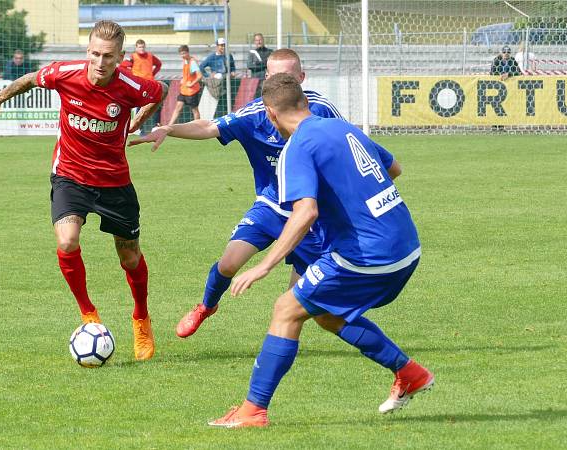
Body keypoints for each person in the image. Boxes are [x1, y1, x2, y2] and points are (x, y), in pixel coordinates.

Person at [207, 73, 434, 428]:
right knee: (325, 314)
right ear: (306, 104)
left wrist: (263, 266)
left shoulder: (297, 147)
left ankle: (253, 411)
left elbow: (305, 212)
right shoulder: (344, 128)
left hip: (367, 255)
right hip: (406, 245)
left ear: (270, 114)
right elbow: (393, 168)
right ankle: (410, 373)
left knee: (285, 309)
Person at [0, 20, 168, 361]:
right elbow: (28, 80)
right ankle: (88, 313)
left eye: (108, 56)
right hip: (70, 174)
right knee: (67, 241)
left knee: (129, 258)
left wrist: (139, 120)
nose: (100, 62)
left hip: (114, 181)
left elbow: (161, 92)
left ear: (120, 57)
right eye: (95, 53)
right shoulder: (65, 73)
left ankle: (140, 316)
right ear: (88, 52)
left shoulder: (132, 87)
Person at [130, 49, 342, 338]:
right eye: (275, 77)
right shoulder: (254, 113)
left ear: (302, 78)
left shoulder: (322, 110)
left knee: (295, 305)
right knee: (229, 263)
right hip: (271, 205)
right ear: (265, 78)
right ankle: (206, 306)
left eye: (288, 78)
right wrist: (169, 128)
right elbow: (209, 126)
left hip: (311, 216)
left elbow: (349, 145)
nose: (281, 84)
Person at [166, 45, 202, 125]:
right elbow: (188, 74)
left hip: (192, 91)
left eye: (184, 53)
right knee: (178, 107)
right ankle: (169, 126)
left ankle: (197, 126)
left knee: (194, 110)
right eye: (181, 54)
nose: (182, 56)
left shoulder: (192, 62)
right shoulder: (185, 61)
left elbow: (199, 75)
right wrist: (184, 80)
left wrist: (191, 83)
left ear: (188, 52)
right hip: (184, 90)